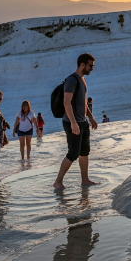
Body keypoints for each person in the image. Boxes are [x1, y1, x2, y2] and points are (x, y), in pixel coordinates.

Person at [53, 53, 99, 190]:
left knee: (85, 152)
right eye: (90, 66)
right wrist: (73, 123)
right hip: (72, 122)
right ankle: (58, 182)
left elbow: (84, 102)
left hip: (82, 122)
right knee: (73, 153)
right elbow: (66, 103)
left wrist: (90, 118)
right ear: (82, 64)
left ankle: (85, 180)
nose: (92, 68)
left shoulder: (82, 80)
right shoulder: (72, 80)